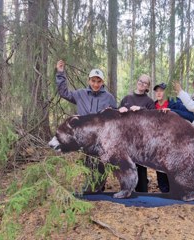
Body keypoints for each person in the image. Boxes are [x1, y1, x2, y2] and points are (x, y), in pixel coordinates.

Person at [56, 60, 117, 192]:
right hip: (85, 137)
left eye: (98, 81)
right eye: (93, 81)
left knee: (101, 162)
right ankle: (93, 186)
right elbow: (64, 93)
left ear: (102, 82)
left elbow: (115, 117)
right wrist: (60, 73)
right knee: (88, 162)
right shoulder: (80, 94)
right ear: (89, 80)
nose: (96, 84)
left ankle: (98, 187)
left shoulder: (109, 97)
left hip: (102, 138)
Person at [153, 82, 194, 192]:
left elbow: (191, 116)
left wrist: (172, 111)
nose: (159, 93)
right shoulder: (153, 106)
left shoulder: (175, 103)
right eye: (157, 91)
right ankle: (164, 190)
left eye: (161, 91)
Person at [119, 74, 155, 192]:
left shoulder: (149, 101)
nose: (142, 84)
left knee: (141, 166)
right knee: (127, 164)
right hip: (127, 138)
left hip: (142, 139)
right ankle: (127, 189)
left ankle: (142, 191)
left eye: (145, 83)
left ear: (148, 87)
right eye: (140, 81)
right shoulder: (126, 99)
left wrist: (141, 110)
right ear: (137, 82)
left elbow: (153, 119)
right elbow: (117, 118)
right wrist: (120, 110)